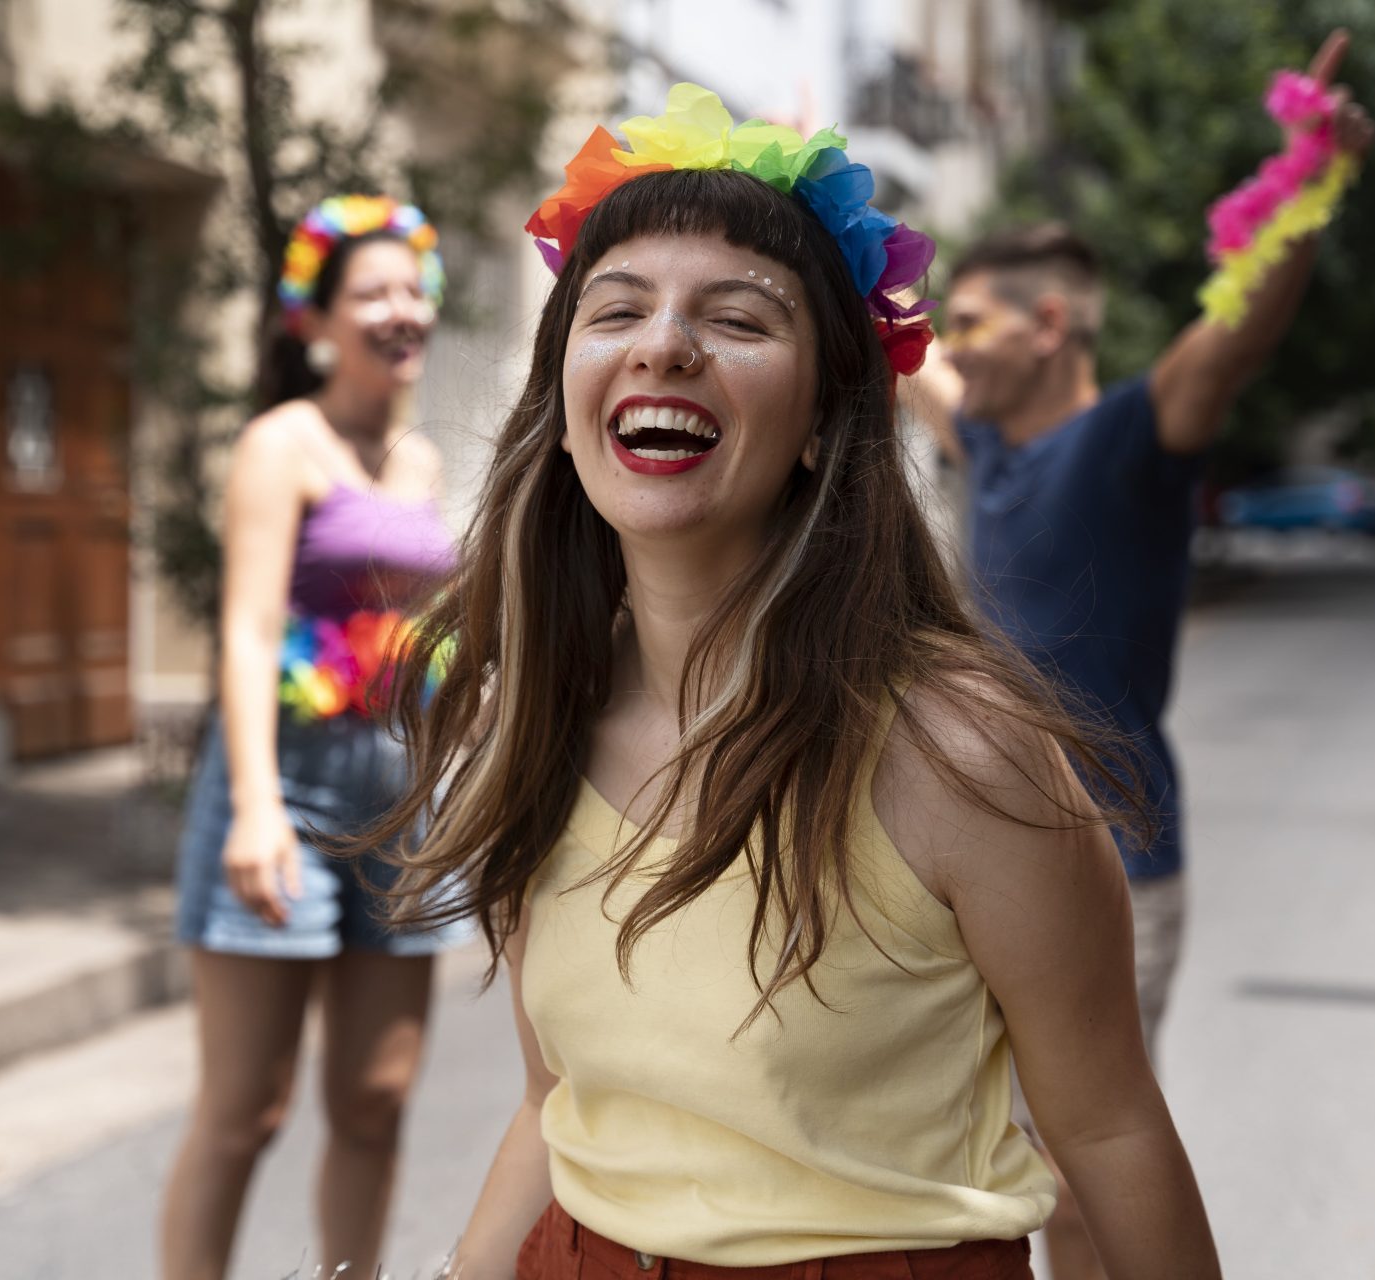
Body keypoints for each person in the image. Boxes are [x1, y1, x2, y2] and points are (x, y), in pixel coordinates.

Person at [349, 85, 1221, 1279]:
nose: (664, 343)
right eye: (617, 310)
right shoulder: (534, 717)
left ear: (823, 420)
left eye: (740, 317)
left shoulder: (963, 753)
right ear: (560, 405)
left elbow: (1114, 1131)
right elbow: (558, 1107)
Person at [908, 32, 1375, 1280]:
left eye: (972, 325)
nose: (948, 349)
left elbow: (1234, 336)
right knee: (1009, 1171)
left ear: (1051, 324)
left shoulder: (1129, 435)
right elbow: (891, 340)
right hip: (983, 861)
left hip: (1120, 857)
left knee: (1075, 1171)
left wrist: (1310, 176)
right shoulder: (993, 453)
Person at [160, 195, 466, 1280]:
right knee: (248, 1106)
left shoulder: (424, 462)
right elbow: (246, 632)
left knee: (376, 1100)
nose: (400, 308)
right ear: (317, 321)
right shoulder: (281, 444)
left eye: (410, 287)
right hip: (286, 784)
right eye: (371, 291)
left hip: (401, 794)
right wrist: (251, 805)